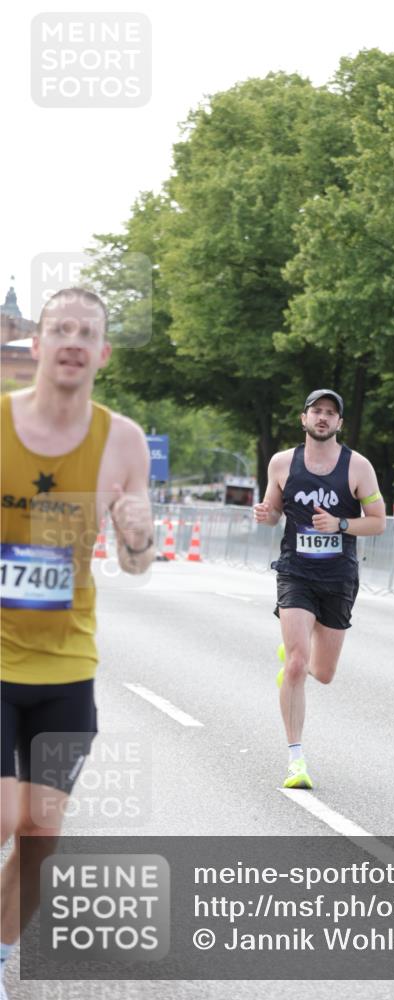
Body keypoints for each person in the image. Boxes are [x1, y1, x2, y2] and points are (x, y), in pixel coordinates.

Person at [0, 288, 155, 996]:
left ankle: (1, 954)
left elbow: (134, 562)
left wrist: (136, 532)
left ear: (102, 353)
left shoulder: (120, 440)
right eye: (58, 328)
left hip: (67, 665)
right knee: (5, 813)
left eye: (84, 331)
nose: (71, 340)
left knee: (40, 834)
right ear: (35, 344)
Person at [253, 389, 386, 789]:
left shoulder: (358, 467)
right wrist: (266, 514)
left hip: (338, 576)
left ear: (340, 423)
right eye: (317, 411)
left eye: (331, 413)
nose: (323, 418)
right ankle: (296, 760)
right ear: (304, 418)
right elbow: (273, 512)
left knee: (322, 673)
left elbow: (378, 521)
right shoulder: (282, 463)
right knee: (295, 664)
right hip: (295, 571)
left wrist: (342, 525)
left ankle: (301, 656)